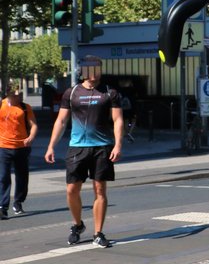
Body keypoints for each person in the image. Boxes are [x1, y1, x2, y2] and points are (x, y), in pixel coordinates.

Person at [44, 59, 124, 247]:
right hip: (77, 147)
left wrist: (118, 144)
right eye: (91, 69)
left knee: (100, 190)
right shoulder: (71, 93)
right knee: (72, 190)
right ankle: (77, 225)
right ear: (83, 71)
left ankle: (98, 233)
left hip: (102, 147)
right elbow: (61, 121)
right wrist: (51, 146)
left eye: (98, 69)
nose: (95, 73)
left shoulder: (110, 92)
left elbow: (118, 120)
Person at [0, 82, 38, 219]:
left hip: (22, 147)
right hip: (3, 147)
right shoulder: (1, 105)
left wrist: (31, 137)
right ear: (8, 94)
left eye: (19, 94)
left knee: (22, 177)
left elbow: (33, 125)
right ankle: (3, 207)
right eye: (15, 94)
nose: (18, 97)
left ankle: (18, 201)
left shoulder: (25, 108)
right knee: (3, 177)